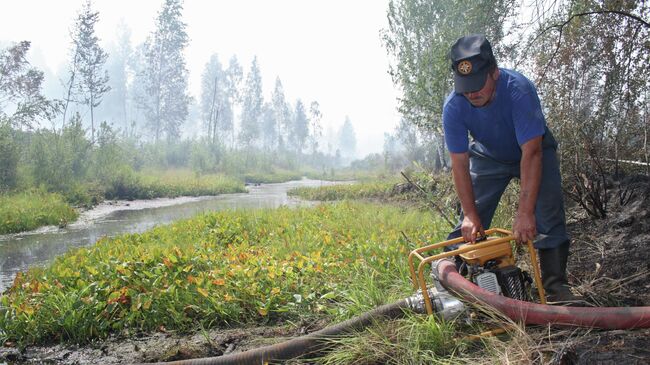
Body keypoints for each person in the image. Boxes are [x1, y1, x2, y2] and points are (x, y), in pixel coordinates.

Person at [442, 34, 578, 303]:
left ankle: (556, 289)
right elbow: (459, 163)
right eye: (465, 86)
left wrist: (525, 212)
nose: (472, 93)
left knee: (547, 213)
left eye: (478, 84)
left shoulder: (518, 90)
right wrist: (470, 214)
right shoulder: (454, 106)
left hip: (533, 150)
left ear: (494, 72)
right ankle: (453, 286)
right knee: (469, 223)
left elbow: (532, 152)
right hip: (489, 155)